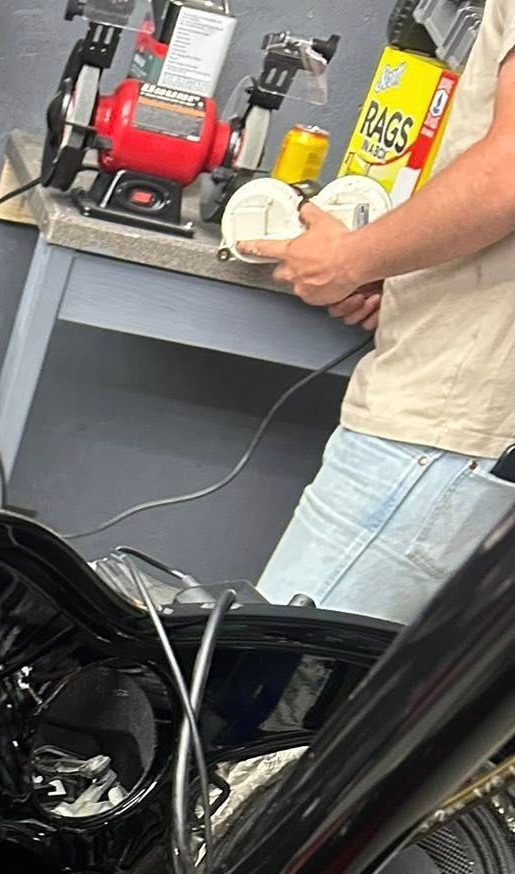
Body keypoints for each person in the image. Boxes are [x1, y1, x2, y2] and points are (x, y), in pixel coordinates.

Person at [239, 0, 515, 621]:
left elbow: (507, 174)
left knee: (270, 695)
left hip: (449, 425)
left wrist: (353, 259)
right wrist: (413, 262)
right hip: (480, 430)